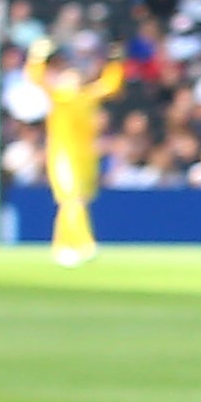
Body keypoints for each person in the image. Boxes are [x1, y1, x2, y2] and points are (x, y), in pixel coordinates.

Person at [28, 39, 124, 267]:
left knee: (72, 202)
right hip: (63, 156)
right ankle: (85, 244)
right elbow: (37, 78)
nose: (71, 80)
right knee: (73, 200)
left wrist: (116, 62)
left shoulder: (86, 97)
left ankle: (61, 246)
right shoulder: (59, 98)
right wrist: (38, 57)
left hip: (85, 157)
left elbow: (111, 85)